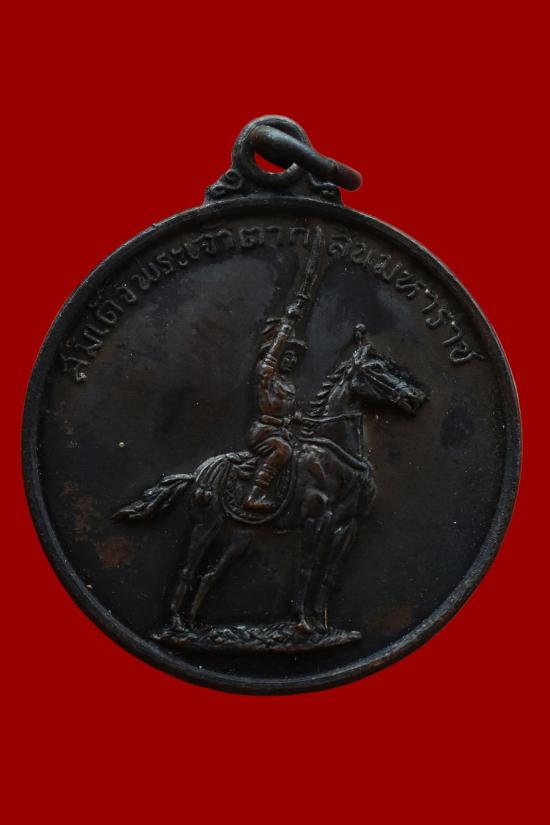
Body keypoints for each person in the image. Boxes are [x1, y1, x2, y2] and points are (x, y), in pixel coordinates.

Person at [245, 302, 305, 510]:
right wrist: (288, 323)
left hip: (280, 432)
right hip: (263, 434)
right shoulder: (267, 375)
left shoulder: (289, 385)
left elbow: (287, 413)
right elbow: (273, 354)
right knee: (283, 450)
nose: (292, 360)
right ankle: (254, 495)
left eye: (294, 358)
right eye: (287, 355)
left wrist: (295, 418)